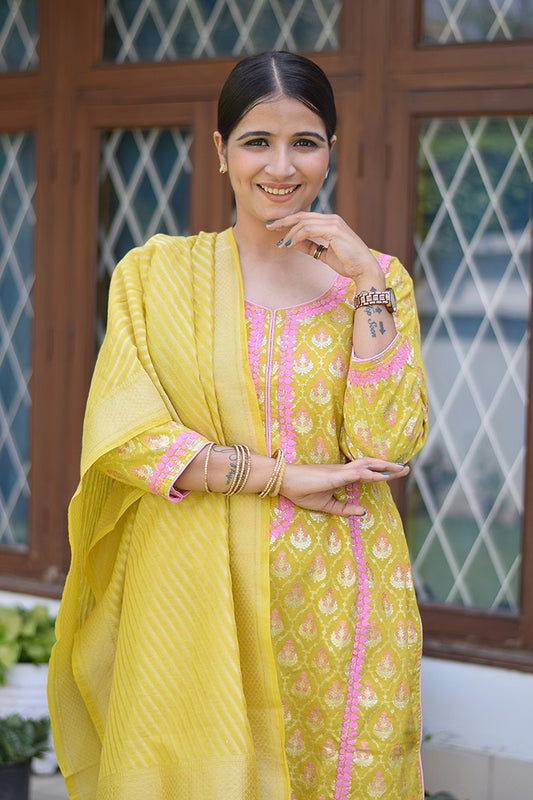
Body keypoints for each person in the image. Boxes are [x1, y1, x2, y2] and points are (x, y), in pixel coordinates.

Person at [48, 51, 428, 800]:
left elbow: (388, 445)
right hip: (196, 609)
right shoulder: (156, 277)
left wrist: (368, 285)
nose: (281, 166)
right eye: (257, 141)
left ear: (330, 150)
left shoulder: (376, 282)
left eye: (305, 141)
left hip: (341, 605)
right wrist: (283, 478)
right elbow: (130, 440)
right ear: (220, 152)